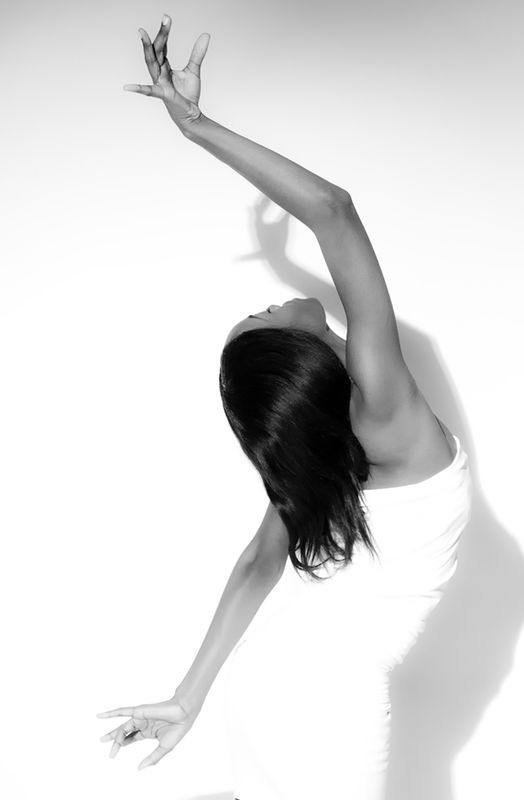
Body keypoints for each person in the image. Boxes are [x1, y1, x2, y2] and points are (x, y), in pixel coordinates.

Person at [97, 14, 473, 799]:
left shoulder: (330, 451)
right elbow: (333, 209)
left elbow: (257, 563)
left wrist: (189, 696)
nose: (271, 301)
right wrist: (196, 126)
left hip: (273, 685)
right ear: (294, 354)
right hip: (326, 705)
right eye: (262, 317)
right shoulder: (380, 413)